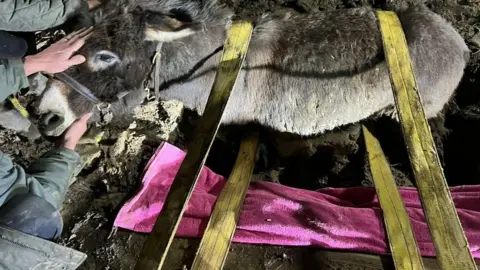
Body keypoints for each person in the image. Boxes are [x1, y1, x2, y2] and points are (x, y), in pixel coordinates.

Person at [0, 0, 101, 268]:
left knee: (15, 48)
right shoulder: (21, 224)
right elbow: (45, 197)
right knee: (16, 47)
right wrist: (68, 147)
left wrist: (31, 65)